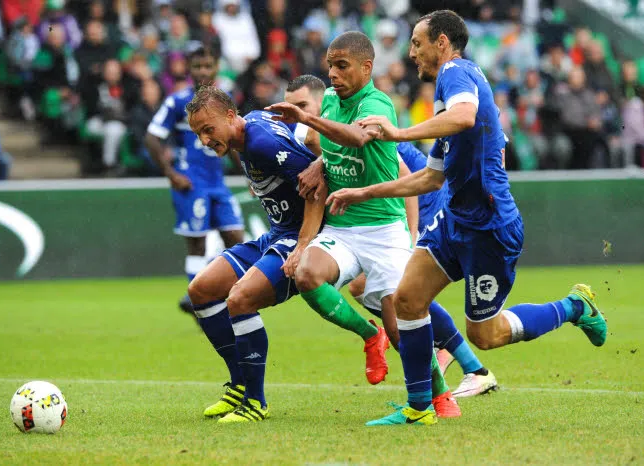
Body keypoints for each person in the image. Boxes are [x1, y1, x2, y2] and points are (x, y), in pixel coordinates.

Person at [326, 10, 608, 425]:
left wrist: (397, 132)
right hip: (455, 220)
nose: (412, 53)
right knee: (407, 299)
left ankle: (574, 307)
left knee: (485, 334)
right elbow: (429, 177)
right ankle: (420, 408)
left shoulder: (456, 72)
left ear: (442, 43)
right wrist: (364, 192)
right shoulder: (447, 99)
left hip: (490, 227)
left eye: (417, 43)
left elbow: (465, 116)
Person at [265, 32, 453, 415]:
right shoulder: (331, 101)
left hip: (385, 230)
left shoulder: (378, 102)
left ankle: (441, 394)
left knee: (405, 333)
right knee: (306, 275)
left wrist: (307, 118)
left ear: (366, 67)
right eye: (330, 65)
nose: (333, 74)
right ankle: (370, 335)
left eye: (342, 65)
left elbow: (356, 139)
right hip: (343, 229)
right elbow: (324, 147)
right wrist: (319, 163)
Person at [287, 74, 494, 399]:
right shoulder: (316, 129)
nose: (297, 113)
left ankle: (472, 370)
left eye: (302, 106)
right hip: (386, 203)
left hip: (417, 199)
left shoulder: (355, 115)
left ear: (317, 102)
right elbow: (330, 156)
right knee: (363, 288)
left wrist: (411, 237)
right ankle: (447, 361)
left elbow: (403, 176)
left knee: (408, 298)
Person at [184, 85, 325, 423]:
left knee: (241, 299)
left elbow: (317, 187)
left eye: (208, 129)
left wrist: (304, 244)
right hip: (275, 234)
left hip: (300, 237)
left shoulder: (262, 144)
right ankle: (239, 384)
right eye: (198, 133)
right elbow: (307, 133)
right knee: (200, 290)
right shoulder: (254, 125)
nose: (205, 140)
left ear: (231, 117)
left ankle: (256, 402)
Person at [145, 45, 245, 310]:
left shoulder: (226, 102)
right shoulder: (177, 102)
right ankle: (200, 303)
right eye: (197, 66)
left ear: (216, 68)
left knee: (237, 239)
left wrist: (249, 174)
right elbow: (151, 137)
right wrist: (171, 173)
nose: (203, 71)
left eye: (208, 66)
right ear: (189, 69)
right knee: (197, 246)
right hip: (190, 183)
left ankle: (235, 297)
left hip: (218, 183)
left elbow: (235, 142)